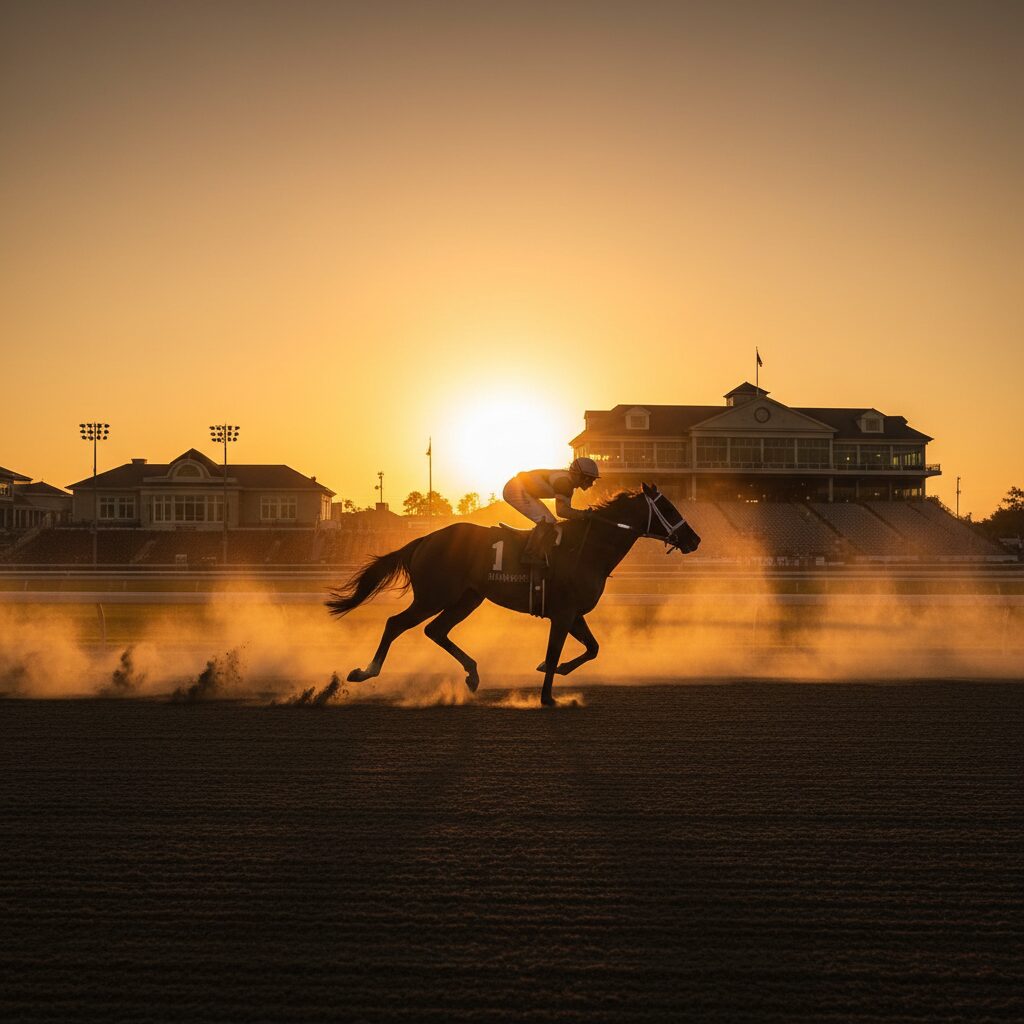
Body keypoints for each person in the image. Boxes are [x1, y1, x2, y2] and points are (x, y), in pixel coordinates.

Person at [502, 457, 600, 565]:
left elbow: (566, 511)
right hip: (515, 489)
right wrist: (585, 514)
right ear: (581, 476)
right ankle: (529, 555)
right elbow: (562, 511)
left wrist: (583, 514)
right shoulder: (564, 483)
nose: (591, 483)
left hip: (523, 489)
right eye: (590, 479)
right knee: (548, 521)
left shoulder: (568, 481)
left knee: (551, 522)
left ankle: (536, 549)